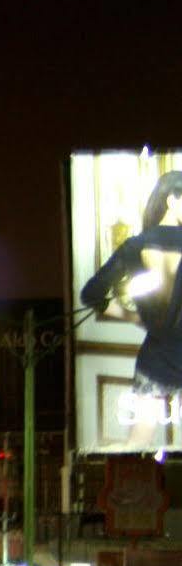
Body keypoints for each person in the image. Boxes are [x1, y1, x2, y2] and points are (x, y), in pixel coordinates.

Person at [81, 169, 182, 444]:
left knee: (135, 448)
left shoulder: (134, 246)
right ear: (172, 200)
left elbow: (91, 294)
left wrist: (135, 317)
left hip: (155, 360)